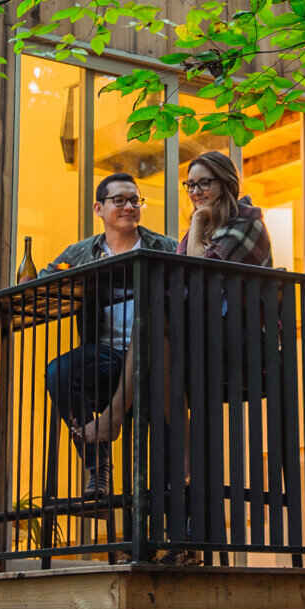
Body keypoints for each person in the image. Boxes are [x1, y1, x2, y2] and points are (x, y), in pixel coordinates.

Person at [38, 173, 177, 498]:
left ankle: (173, 532)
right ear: (99, 208)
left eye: (135, 200)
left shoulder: (164, 246)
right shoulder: (81, 252)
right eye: (120, 200)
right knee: (58, 371)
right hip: (108, 357)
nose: (129, 206)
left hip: (160, 358)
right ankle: (97, 467)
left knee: (166, 457)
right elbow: (41, 281)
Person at [180, 150, 273, 266]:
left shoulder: (245, 222)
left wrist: (197, 218)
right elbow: (179, 268)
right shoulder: (207, 225)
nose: (196, 192)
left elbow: (199, 271)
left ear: (226, 184)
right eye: (191, 185)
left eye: (204, 183)